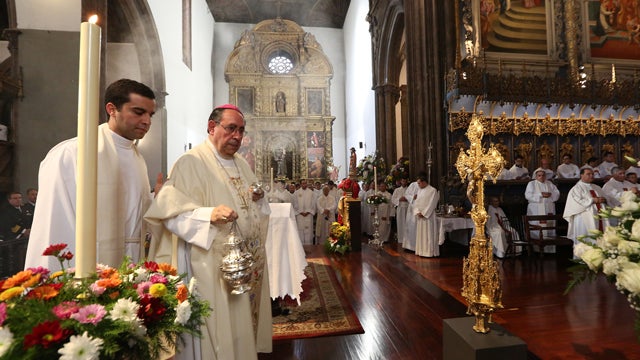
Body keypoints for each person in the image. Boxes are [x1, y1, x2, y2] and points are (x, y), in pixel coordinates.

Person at [144, 104, 272, 359]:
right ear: (212, 127)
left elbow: (253, 208)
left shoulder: (242, 165)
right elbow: (170, 213)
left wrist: (258, 197)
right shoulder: (190, 162)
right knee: (218, 326)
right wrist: (208, 214)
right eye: (231, 128)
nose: (237, 136)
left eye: (241, 131)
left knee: (242, 324)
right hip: (208, 262)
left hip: (244, 263)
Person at [25, 79, 161, 270]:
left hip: (131, 266)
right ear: (112, 109)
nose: (146, 121)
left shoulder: (138, 159)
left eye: (150, 115)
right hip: (87, 266)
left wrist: (158, 199)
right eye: (138, 112)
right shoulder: (74, 153)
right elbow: (55, 225)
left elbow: (135, 216)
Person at [563, 168, 609, 250]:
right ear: (581, 175)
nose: (591, 176)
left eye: (592, 174)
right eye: (588, 174)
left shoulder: (597, 187)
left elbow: (605, 198)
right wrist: (592, 200)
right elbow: (576, 203)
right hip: (583, 218)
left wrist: (604, 199)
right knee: (586, 238)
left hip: (599, 216)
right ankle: (582, 259)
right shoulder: (576, 188)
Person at [525, 169, 560, 251]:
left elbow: (557, 193)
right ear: (536, 176)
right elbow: (528, 195)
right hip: (536, 209)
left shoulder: (549, 183)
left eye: (543, 175)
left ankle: (549, 249)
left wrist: (550, 195)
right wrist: (541, 195)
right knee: (538, 227)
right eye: (539, 175)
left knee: (549, 227)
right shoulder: (531, 184)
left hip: (549, 208)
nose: (541, 177)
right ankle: (536, 249)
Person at [412, 174, 439, 257]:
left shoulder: (432, 190)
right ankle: (421, 251)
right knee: (421, 234)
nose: (418, 185)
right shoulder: (420, 191)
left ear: (424, 182)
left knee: (428, 234)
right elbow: (416, 203)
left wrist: (424, 213)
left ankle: (429, 252)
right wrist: (417, 212)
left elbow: (432, 203)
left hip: (428, 216)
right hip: (420, 216)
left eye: (419, 183)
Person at [293, 178, 316, 244]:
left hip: (308, 215)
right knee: (300, 231)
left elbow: (313, 203)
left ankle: (309, 247)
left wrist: (308, 211)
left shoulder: (311, 192)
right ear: (300, 184)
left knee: (308, 231)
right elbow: (295, 203)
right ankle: (301, 247)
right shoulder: (296, 193)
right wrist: (300, 212)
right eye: (303, 183)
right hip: (300, 215)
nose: (304, 185)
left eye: (305, 183)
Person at [391, 177, 410, 244]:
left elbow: (413, 198)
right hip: (400, 208)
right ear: (400, 182)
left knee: (408, 224)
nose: (404, 182)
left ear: (407, 181)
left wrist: (407, 199)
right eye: (402, 181)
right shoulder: (397, 190)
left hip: (408, 208)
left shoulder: (409, 189)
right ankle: (401, 239)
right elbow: (393, 199)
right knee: (400, 223)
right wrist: (399, 199)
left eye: (405, 181)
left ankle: (408, 240)